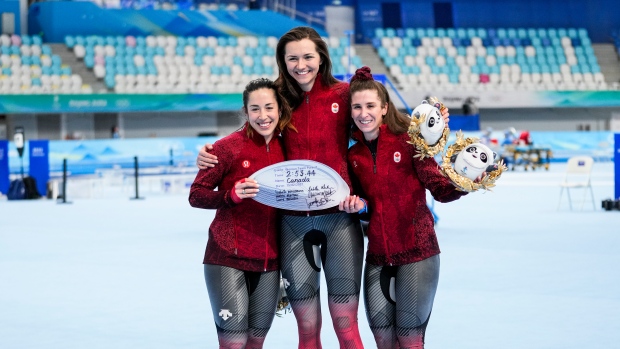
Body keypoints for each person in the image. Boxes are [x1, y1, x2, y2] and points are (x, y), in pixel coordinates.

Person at [197, 26, 366, 348]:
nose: (300, 65)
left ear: (322, 58)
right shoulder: (279, 96)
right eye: (292, 58)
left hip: (340, 219)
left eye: (307, 57)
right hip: (291, 222)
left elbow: (373, 133)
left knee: (346, 325)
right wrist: (209, 154)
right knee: (307, 327)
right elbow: (251, 129)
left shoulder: (344, 95)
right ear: (282, 61)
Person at [339, 67, 468, 348]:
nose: (364, 113)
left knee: (409, 340)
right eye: (357, 107)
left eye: (371, 105)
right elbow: (362, 201)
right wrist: (358, 205)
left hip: (417, 254)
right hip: (377, 258)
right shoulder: (353, 155)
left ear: (385, 108)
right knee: (384, 341)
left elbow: (440, 189)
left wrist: (464, 181)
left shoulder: (410, 141)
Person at [188, 78, 294, 349]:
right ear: (245, 112)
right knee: (234, 343)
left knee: (256, 342)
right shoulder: (226, 148)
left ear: (279, 109)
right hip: (226, 257)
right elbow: (196, 195)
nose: (263, 116)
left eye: (269, 107)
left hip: (269, 261)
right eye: (255, 109)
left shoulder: (289, 149)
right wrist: (230, 196)